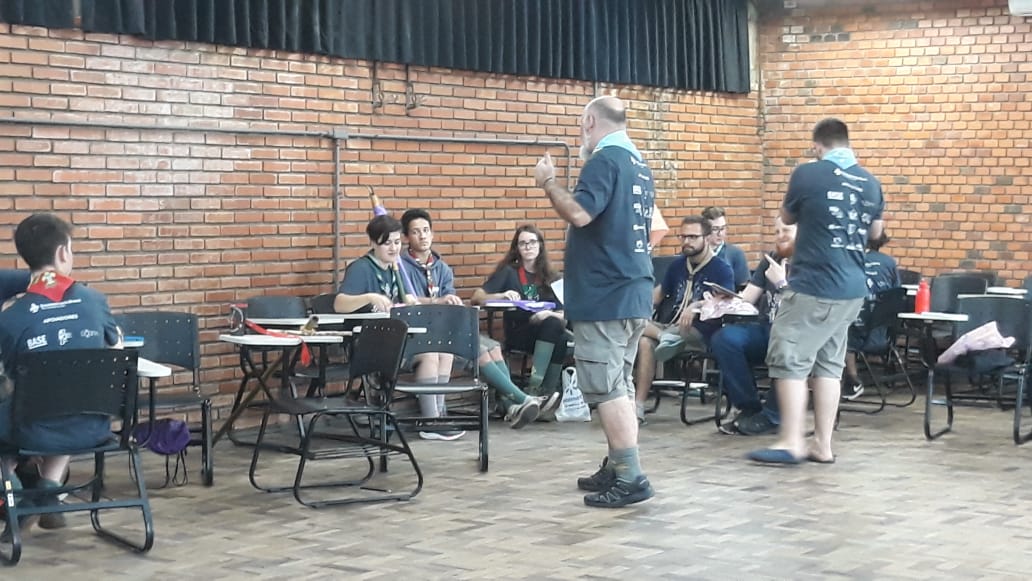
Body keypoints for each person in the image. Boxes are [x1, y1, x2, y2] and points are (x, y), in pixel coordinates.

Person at [534, 95, 655, 507]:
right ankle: (617, 464)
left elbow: (581, 214)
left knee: (606, 388)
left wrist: (549, 182)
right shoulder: (639, 164)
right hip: (633, 290)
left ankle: (631, 476)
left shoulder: (605, 160)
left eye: (580, 126)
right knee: (619, 384)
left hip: (605, 295)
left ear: (589, 121)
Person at [748, 118, 884, 465]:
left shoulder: (807, 174)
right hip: (852, 288)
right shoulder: (871, 183)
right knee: (828, 364)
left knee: (789, 359)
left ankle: (791, 442)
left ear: (817, 146)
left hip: (815, 285)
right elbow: (875, 234)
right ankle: (822, 444)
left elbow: (786, 218)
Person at [0, 214, 122, 537]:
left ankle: (11, 490)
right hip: (95, 425)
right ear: (63, 252)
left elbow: (9, 374)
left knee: (31, 404)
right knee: (69, 394)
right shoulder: (95, 301)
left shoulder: (10, 319)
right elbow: (117, 350)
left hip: (32, 428)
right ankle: (48, 490)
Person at [398, 209, 553, 430]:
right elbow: (405, 300)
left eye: (426, 230)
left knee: (493, 347)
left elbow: (451, 302)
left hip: (445, 328)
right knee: (478, 348)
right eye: (416, 232)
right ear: (406, 237)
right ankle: (523, 399)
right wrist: (438, 301)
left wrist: (451, 304)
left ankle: (512, 406)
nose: (423, 236)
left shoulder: (441, 268)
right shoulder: (400, 267)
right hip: (421, 334)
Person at [334, 215, 467, 440]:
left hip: (397, 339)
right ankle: (429, 422)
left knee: (445, 351)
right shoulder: (361, 268)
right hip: (369, 344)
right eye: (387, 243)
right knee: (429, 355)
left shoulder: (396, 269)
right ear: (373, 243)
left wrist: (411, 302)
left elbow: (407, 300)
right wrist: (369, 297)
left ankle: (438, 414)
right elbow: (339, 304)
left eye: (397, 242)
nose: (394, 248)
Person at [633, 216, 734, 424]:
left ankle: (665, 338)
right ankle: (638, 406)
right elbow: (658, 294)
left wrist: (696, 306)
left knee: (650, 338)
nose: (686, 241)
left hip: (699, 331)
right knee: (635, 327)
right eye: (683, 236)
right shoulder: (677, 265)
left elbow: (727, 302)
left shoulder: (721, 269)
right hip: (671, 326)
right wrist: (635, 305)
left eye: (693, 237)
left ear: (707, 238)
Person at [709, 215, 797, 436]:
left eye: (786, 231)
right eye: (776, 232)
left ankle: (773, 417)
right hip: (767, 329)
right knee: (725, 339)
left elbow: (804, 307)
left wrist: (782, 283)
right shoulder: (772, 259)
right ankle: (749, 407)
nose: (780, 236)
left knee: (784, 344)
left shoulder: (812, 263)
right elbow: (748, 297)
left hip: (796, 335)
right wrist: (725, 299)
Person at [471, 225, 571, 399]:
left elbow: (565, 313)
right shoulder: (509, 272)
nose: (528, 247)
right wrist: (501, 295)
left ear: (540, 245)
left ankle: (546, 393)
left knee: (558, 331)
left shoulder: (552, 276)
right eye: (523, 243)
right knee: (555, 329)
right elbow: (477, 297)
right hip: (519, 331)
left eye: (532, 242)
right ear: (516, 248)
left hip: (548, 330)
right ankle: (535, 389)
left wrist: (548, 314)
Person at [842, 231, 901, 400]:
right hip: (884, 334)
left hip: (857, 332)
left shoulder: (851, 261)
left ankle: (852, 379)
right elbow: (897, 292)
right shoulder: (889, 263)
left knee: (841, 330)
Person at [701, 206, 750, 290]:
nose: (720, 233)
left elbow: (743, 287)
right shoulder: (695, 253)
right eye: (715, 229)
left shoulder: (736, 254)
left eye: (723, 228)